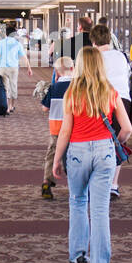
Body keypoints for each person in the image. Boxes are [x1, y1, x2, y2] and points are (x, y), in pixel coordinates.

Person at [52, 45, 132, 263]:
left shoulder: (72, 93)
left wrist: (57, 159)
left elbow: (65, 131)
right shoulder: (110, 91)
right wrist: (113, 142)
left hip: (77, 151)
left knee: (77, 202)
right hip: (104, 151)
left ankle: (77, 255)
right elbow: (126, 129)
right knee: (99, 210)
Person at [90, 23, 132, 199]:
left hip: (102, 100)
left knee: (97, 138)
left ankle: (97, 181)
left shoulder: (93, 58)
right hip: (123, 98)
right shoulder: (122, 56)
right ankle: (114, 184)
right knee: (118, 139)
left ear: (93, 41)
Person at [39, 54, 74, 199]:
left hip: (56, 127)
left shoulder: (54, 88)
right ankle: (76, 184)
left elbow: (45, 108)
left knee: (52, 154)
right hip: (73, 128)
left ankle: (47, 182)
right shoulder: (77, 87)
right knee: (73, 156)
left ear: (57, 72)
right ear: (73, 68)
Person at [0, 20, 33, 113]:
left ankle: (6, 107)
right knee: (13, 85)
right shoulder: (17, 43)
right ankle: (11, 106)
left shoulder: (0, 43)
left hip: (2, 68)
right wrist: (29, 68)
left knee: (5, 87)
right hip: (14, 68)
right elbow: (24, 57)